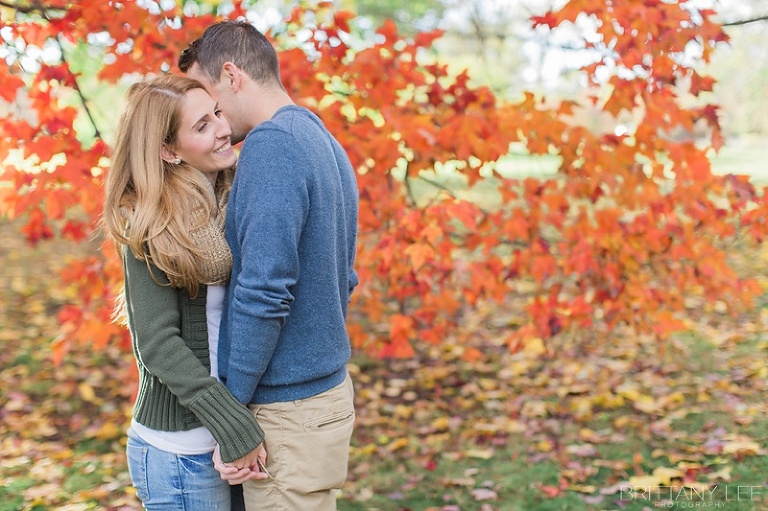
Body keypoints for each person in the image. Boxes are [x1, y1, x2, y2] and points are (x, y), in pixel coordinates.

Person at [178, 20, 360, 510]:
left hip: (287, 412)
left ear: (231, 75)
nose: (215, 120)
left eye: (212, 100)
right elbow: (343, 276)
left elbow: (264, 290)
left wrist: (231, 409)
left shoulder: (270, 145)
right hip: (321, 398)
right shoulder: (320, 137)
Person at [102, 74, 268, 511]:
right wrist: (232, 426)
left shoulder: (235, 196)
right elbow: (157, 344)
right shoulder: (150, 222)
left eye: (217, 113)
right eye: (202, 126)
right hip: (181, 455)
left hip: (232, 438)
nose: (223, 128)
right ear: (168, 150)